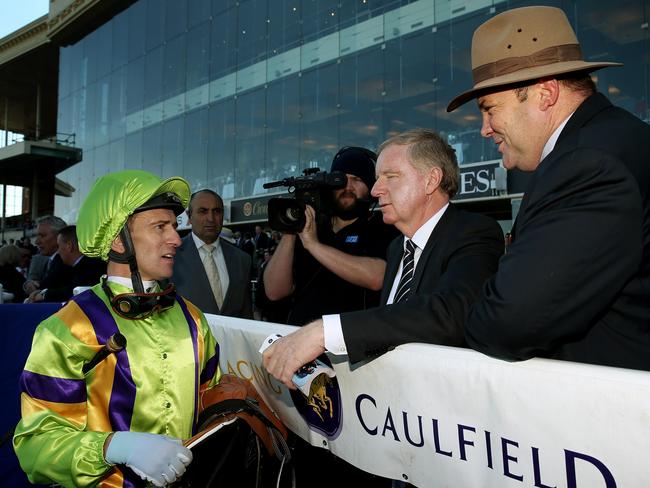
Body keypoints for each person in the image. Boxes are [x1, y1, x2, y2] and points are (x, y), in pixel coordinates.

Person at [444, 6, 650, 371]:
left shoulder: (587, 165)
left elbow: (507, 323)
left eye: (489, 108)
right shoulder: (614, 141)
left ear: (545, 93)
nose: (484, 129)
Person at [13, 170, 222, 487]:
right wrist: (114, 447)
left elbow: (211, 399)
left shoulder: (194, 318)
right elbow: (36, 446)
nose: (176, 239)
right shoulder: (66, 328)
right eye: (160, 227)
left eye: (175, 227)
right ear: (117, 239)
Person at [262, 129, 504, 385]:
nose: (376, 190)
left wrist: (325, 331)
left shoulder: (474, 232)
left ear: (431, 180)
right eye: (378, 179)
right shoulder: (397, 248)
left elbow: (450, 313)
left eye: (391, 177)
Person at [262, 146, 398, 325]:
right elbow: (274, 291)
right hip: (300, 339)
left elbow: (377, 278)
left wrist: (314, 245)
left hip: (350, 343)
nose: (348, 186)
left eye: (357, 179)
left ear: (371, 187)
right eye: (340, 179)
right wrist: (291, 229)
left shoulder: (383, 225)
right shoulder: (311, 228)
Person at [173, 189, 253, 319]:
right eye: (203, 211)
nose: (211, 218)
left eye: (217, 211)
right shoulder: (171, 256)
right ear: (189, 216)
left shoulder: (242, 259)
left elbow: (246, 314)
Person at [25, 225, 106, 303]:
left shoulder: (92, 267)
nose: (58, 251)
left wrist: (44, 295)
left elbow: (73, 291)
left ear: (69, 246)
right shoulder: (73, 266)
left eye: (59, 246)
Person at [23, 216, 68, 291]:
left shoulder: (69, 261)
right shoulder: (38, 259)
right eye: (37, 236)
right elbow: (31, 281)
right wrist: (29, 284)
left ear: (59, 236)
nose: (37, 242)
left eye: (42, 236)